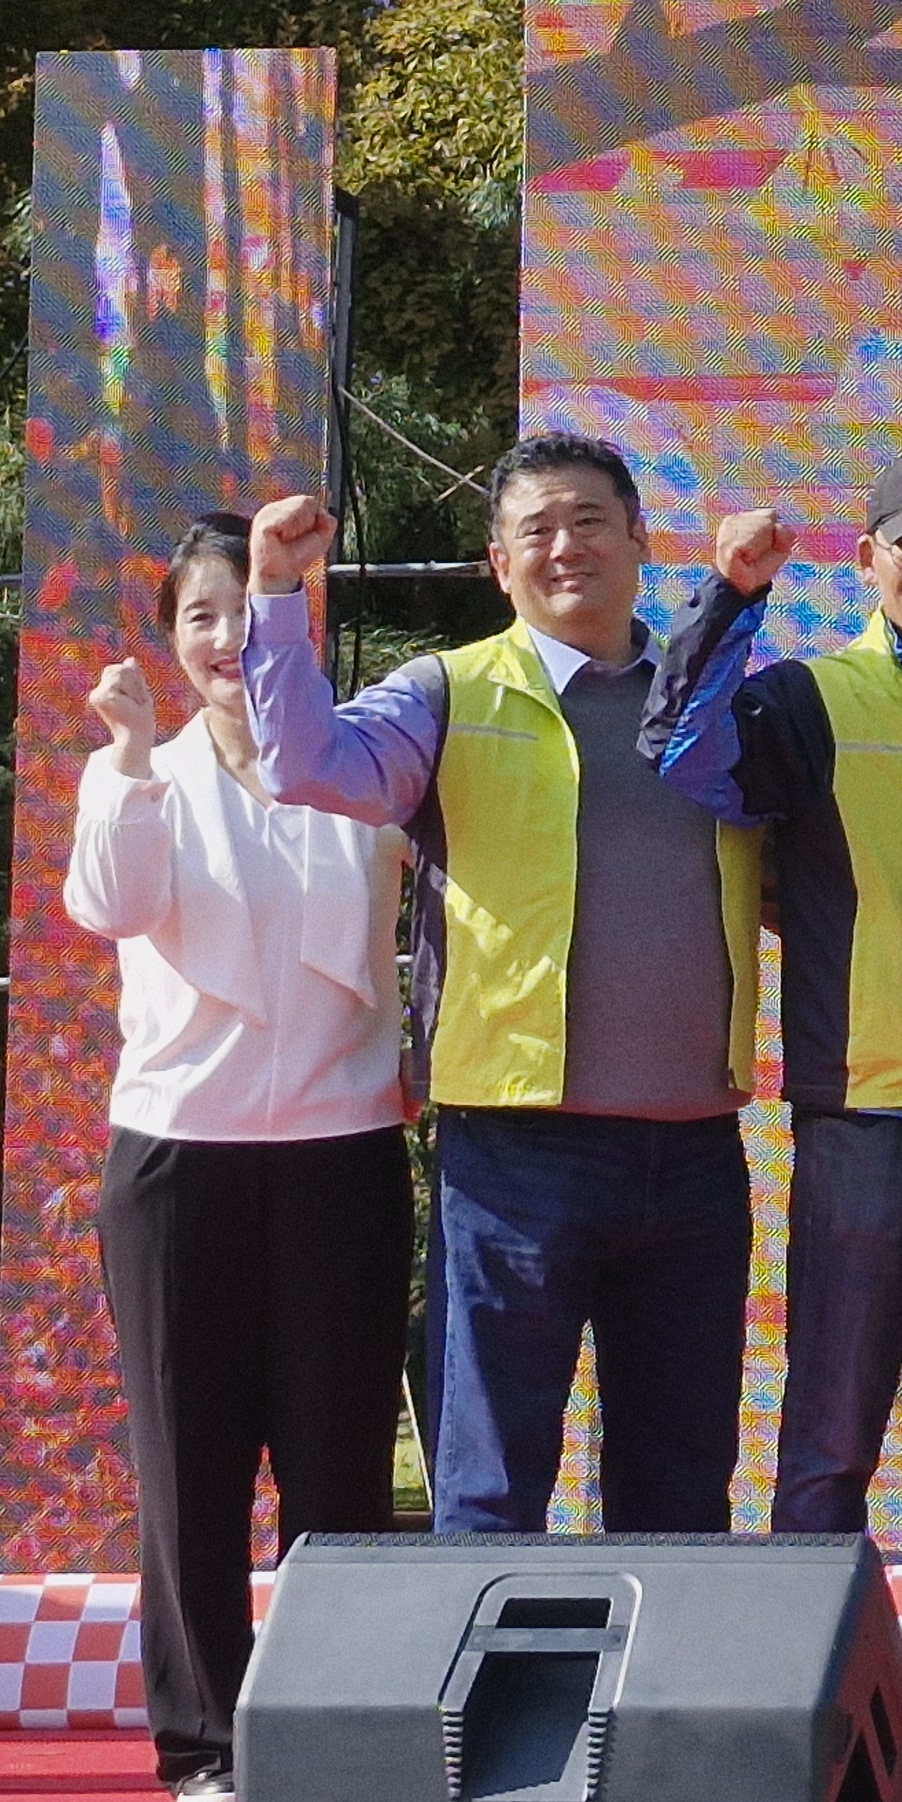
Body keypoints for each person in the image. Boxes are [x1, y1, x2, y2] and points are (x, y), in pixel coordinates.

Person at [248, 436, 763, 1535]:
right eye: (536, 531)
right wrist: (278, 596)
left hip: (695, 1153)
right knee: (491, 1482)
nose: (565, 548)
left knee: (681, 1494)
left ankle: (653, 1710)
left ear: (639, 541)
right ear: (497, 565)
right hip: (516, 1152)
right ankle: (479, 1714)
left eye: (588, 522)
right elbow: (304, 765)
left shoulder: (719, 695)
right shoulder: (448, 692)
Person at [640, 452, 902, 1798]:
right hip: (867, 1113)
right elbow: (680, 754)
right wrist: (731, 595)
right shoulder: (810, 698)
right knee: (829, 1446)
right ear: (868, 565)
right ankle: (798, 1730)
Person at [63, 513, 414, 1802]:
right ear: (171, 637)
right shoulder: (134, 776)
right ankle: (203, 1743)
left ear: (294, 620)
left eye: (246, 611)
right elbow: (107, 903)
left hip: (342, 1155)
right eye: (197, 617)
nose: (223, 638)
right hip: (177, 1164)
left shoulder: (361, 769)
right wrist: (132, 764)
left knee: (335, 1470)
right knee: (190, 1467)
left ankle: (336, 1730)